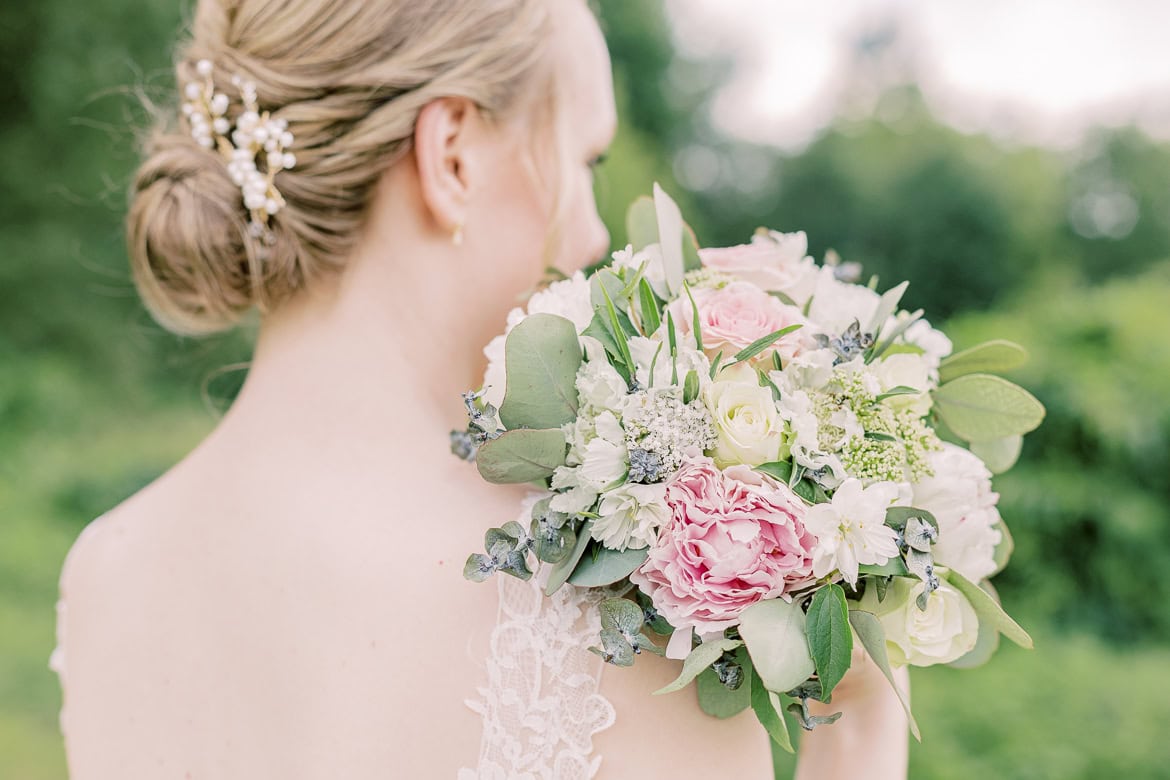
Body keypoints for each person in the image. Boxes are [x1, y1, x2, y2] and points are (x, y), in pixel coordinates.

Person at [51, 0, 908, 777]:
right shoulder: (610, 607)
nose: (592, 231)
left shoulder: (103, 569)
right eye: (585, 159)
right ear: (451, 154)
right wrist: (860, 722)